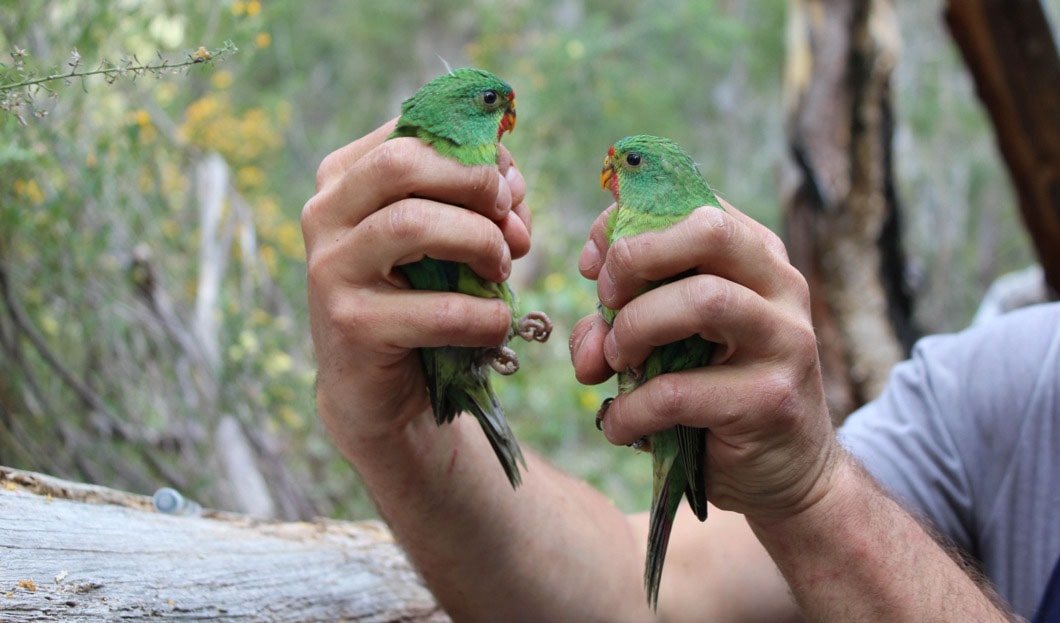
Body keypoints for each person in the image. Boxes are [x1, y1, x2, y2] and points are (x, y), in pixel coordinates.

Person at [302, 119, 1059, 621]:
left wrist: (817, 494)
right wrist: (398, 422)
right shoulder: (1000, 387)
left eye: (627, 164)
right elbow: (642, 594)